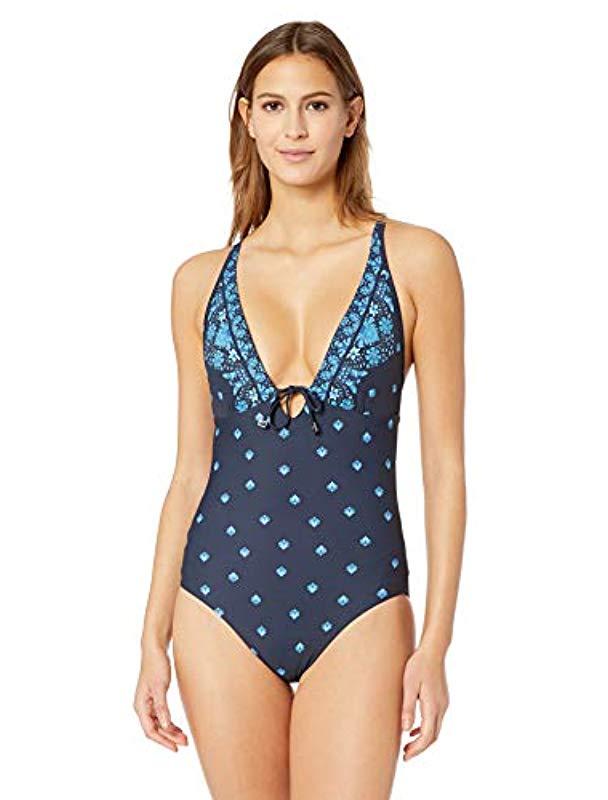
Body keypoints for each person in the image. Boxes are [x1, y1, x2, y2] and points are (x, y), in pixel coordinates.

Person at [134, 20, 466, 799]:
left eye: (315, 105)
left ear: (351, 115)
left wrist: (437, 644)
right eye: (274, 106)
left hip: (361, 602)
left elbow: (444, 465)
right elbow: (189, 472)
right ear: (246, 118)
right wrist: (151, 637)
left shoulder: (417, 260)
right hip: (216, 600)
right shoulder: (198, 282)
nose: (295, 129)